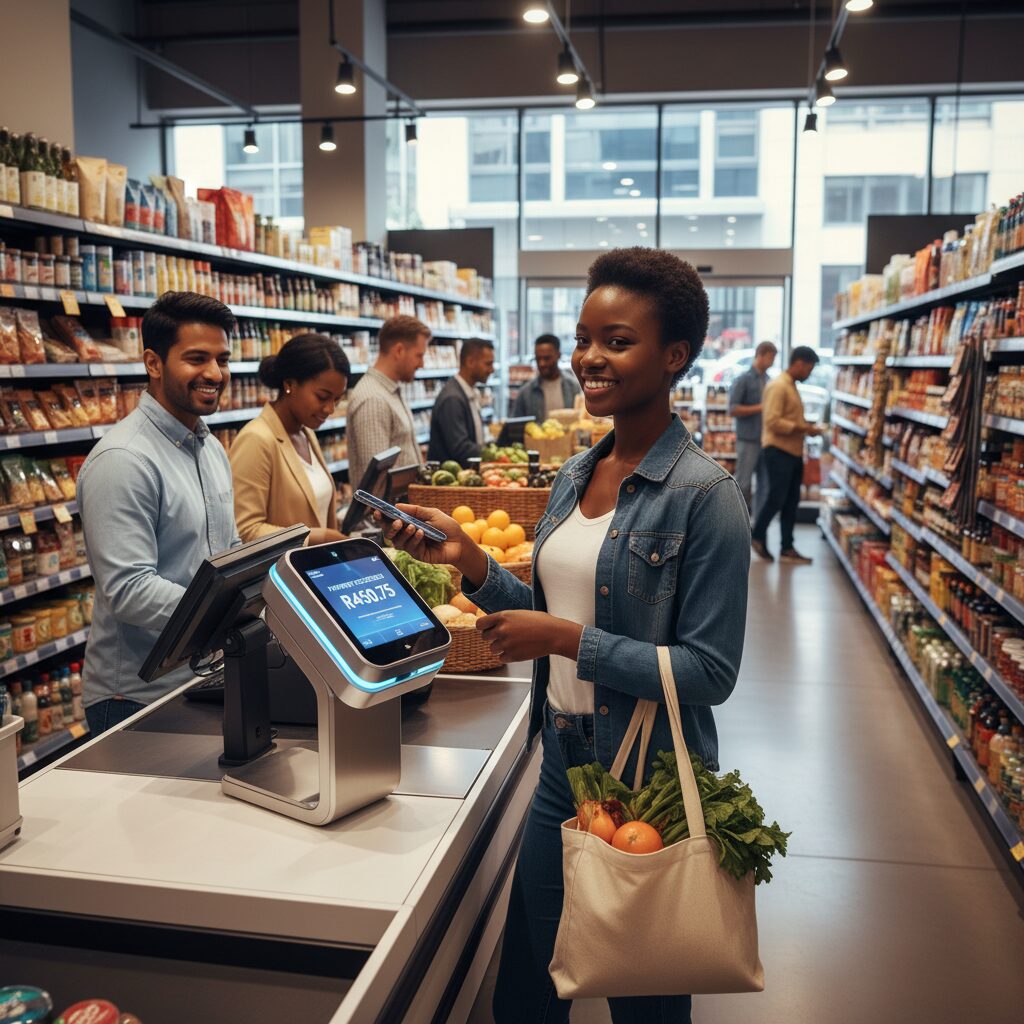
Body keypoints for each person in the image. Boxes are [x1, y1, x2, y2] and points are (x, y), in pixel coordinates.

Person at [378, 248, 750, 1024]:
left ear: (674, 356)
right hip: (564, 761)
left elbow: (711, 673)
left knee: (642, 991)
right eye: (585, 337)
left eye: (617, 341)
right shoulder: (579, 473)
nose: (588, 357)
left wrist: (567, 639)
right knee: (528, 985)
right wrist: (474, 562)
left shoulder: (706, 498)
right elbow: (545, 605)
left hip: (647, 770)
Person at [77, 292, 240, 736]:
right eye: (196, 358)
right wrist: (226, 607)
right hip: (135, 699)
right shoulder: (123, 460)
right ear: (154, 363)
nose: (214, 373)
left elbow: (229, 550)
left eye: (222, 359)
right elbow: (128, 589)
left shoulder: (210, 448)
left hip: (200, 678)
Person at [229, 333, 350, 544]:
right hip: (278, 575)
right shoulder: (256, 439)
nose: (330, 408)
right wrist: (314, 537)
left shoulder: (306, 433)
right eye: (322, 397)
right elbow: (245, 530)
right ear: (289, 385)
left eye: (337, 399)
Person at [750, 345, 824, 564]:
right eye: (809, 369)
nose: (809, 374)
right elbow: (772, 421)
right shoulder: (778, 386)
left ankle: (787, 547)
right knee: (777, 498)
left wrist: (803, 427)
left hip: (791, 451)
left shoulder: (790, 386)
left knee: (791, 502)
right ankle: (758, 535)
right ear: (799, 363)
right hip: (778, 451)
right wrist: (802, 428)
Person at [346, 315, 430, 484]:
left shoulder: (389, 391)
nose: (422, 364)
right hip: (388, 510)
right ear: (399, 351)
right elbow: (377, 483)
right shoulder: (373, 399)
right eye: (419, 355)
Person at [427, 337, 495, 465]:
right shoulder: (452, 399)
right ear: (470, 362)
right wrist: (493, 455)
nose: (492, 370)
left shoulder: (467, 391)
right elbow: (460, 448)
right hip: (448, 481)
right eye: (488, 364)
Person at [729, 340, 777, 515]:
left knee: (765, 484)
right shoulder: (744, 379)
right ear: (761, 355)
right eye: (771, 358)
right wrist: (761, 407)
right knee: (743, 483)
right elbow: (733, 409)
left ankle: (757, 527)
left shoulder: (770, 381)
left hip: (766, 440)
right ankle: (737, 522)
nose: (772, 363)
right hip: (748, 439)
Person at [512, 334, 583, 420]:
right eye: (538, 359)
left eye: (546, 358)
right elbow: (516, 426)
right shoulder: (525, 393)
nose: (542, 364)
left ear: (558, 355)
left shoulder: (573, 387)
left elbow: (580, 420)